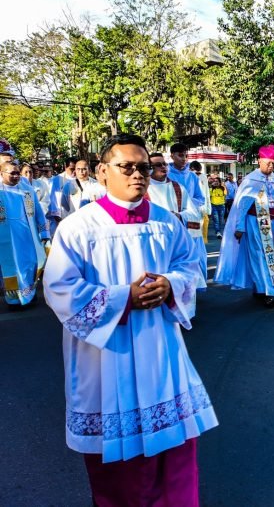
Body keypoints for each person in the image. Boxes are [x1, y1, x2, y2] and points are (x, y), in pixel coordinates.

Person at [42, 133, 218, 505]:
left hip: (160, 348)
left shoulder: (166, 222)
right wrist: (124, 298)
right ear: (103, 172)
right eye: (127, 167)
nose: (137, 175)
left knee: (175, 452)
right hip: (107, 355)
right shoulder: (78, 228)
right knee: (121, 471)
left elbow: (190, 265)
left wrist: (171, 284)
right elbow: (60, 288)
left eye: (143, 167)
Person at [215, 145, 274, 308]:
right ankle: (270, 291)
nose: (271, 166)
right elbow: (242, 205)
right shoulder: (250, 179)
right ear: (259, 161)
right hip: (256, 223)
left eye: (273, 163)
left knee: (272, 257)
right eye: (268, 162)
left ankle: (262, 288)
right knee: (259, 257)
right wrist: (239, 226)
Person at [145, 152, 206, 290]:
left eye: (164, 164)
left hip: (177, 239)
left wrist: (179, 216)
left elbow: (193, 213)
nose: (163, 167)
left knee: (181, 282)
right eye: (158, 165)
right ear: (149, 168)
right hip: (154, 241)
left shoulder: (178, 187)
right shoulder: (144, 189)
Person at [0, 159, 50, 306]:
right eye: (12, 173)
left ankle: (29, 294)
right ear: (1, 173)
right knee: (10, 268)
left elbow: (39, 213)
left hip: (28, 237)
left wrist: (44, 234)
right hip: (7, 239)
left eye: (18, 173)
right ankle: (14, 300)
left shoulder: (26, 189)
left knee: (31, 264)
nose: (16, 176)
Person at [168, 146, 208, 282]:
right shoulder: (166, 174)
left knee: (195, 253)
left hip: (189, 219)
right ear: (172, 155)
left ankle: (195, 284)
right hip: (171, 218)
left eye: (186, 156)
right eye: (180, 155)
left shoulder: (192, 176)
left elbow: (200, 198)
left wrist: (186, 205)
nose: (184, 159)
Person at [47, 157, 76, 234]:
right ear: (65, 167)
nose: (74, 172)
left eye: (76, 169)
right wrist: (58, 220)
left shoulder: (80, 179)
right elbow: (53, 201)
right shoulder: (57, 179)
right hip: (62, 218)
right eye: (72, 169)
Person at [209, 175, 227, 239]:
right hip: (214, 206)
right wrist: (212, 187)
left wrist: (222, 186)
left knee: (221, 220)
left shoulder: (222, 188)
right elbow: (209, 196)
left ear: (220, 182)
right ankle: (218, 232)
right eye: (215, 181)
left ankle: (220, 232)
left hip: (221, 206)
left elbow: (226, 193)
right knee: (216, 220)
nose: (216, 182)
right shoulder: (211, 189)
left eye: (217, 181)